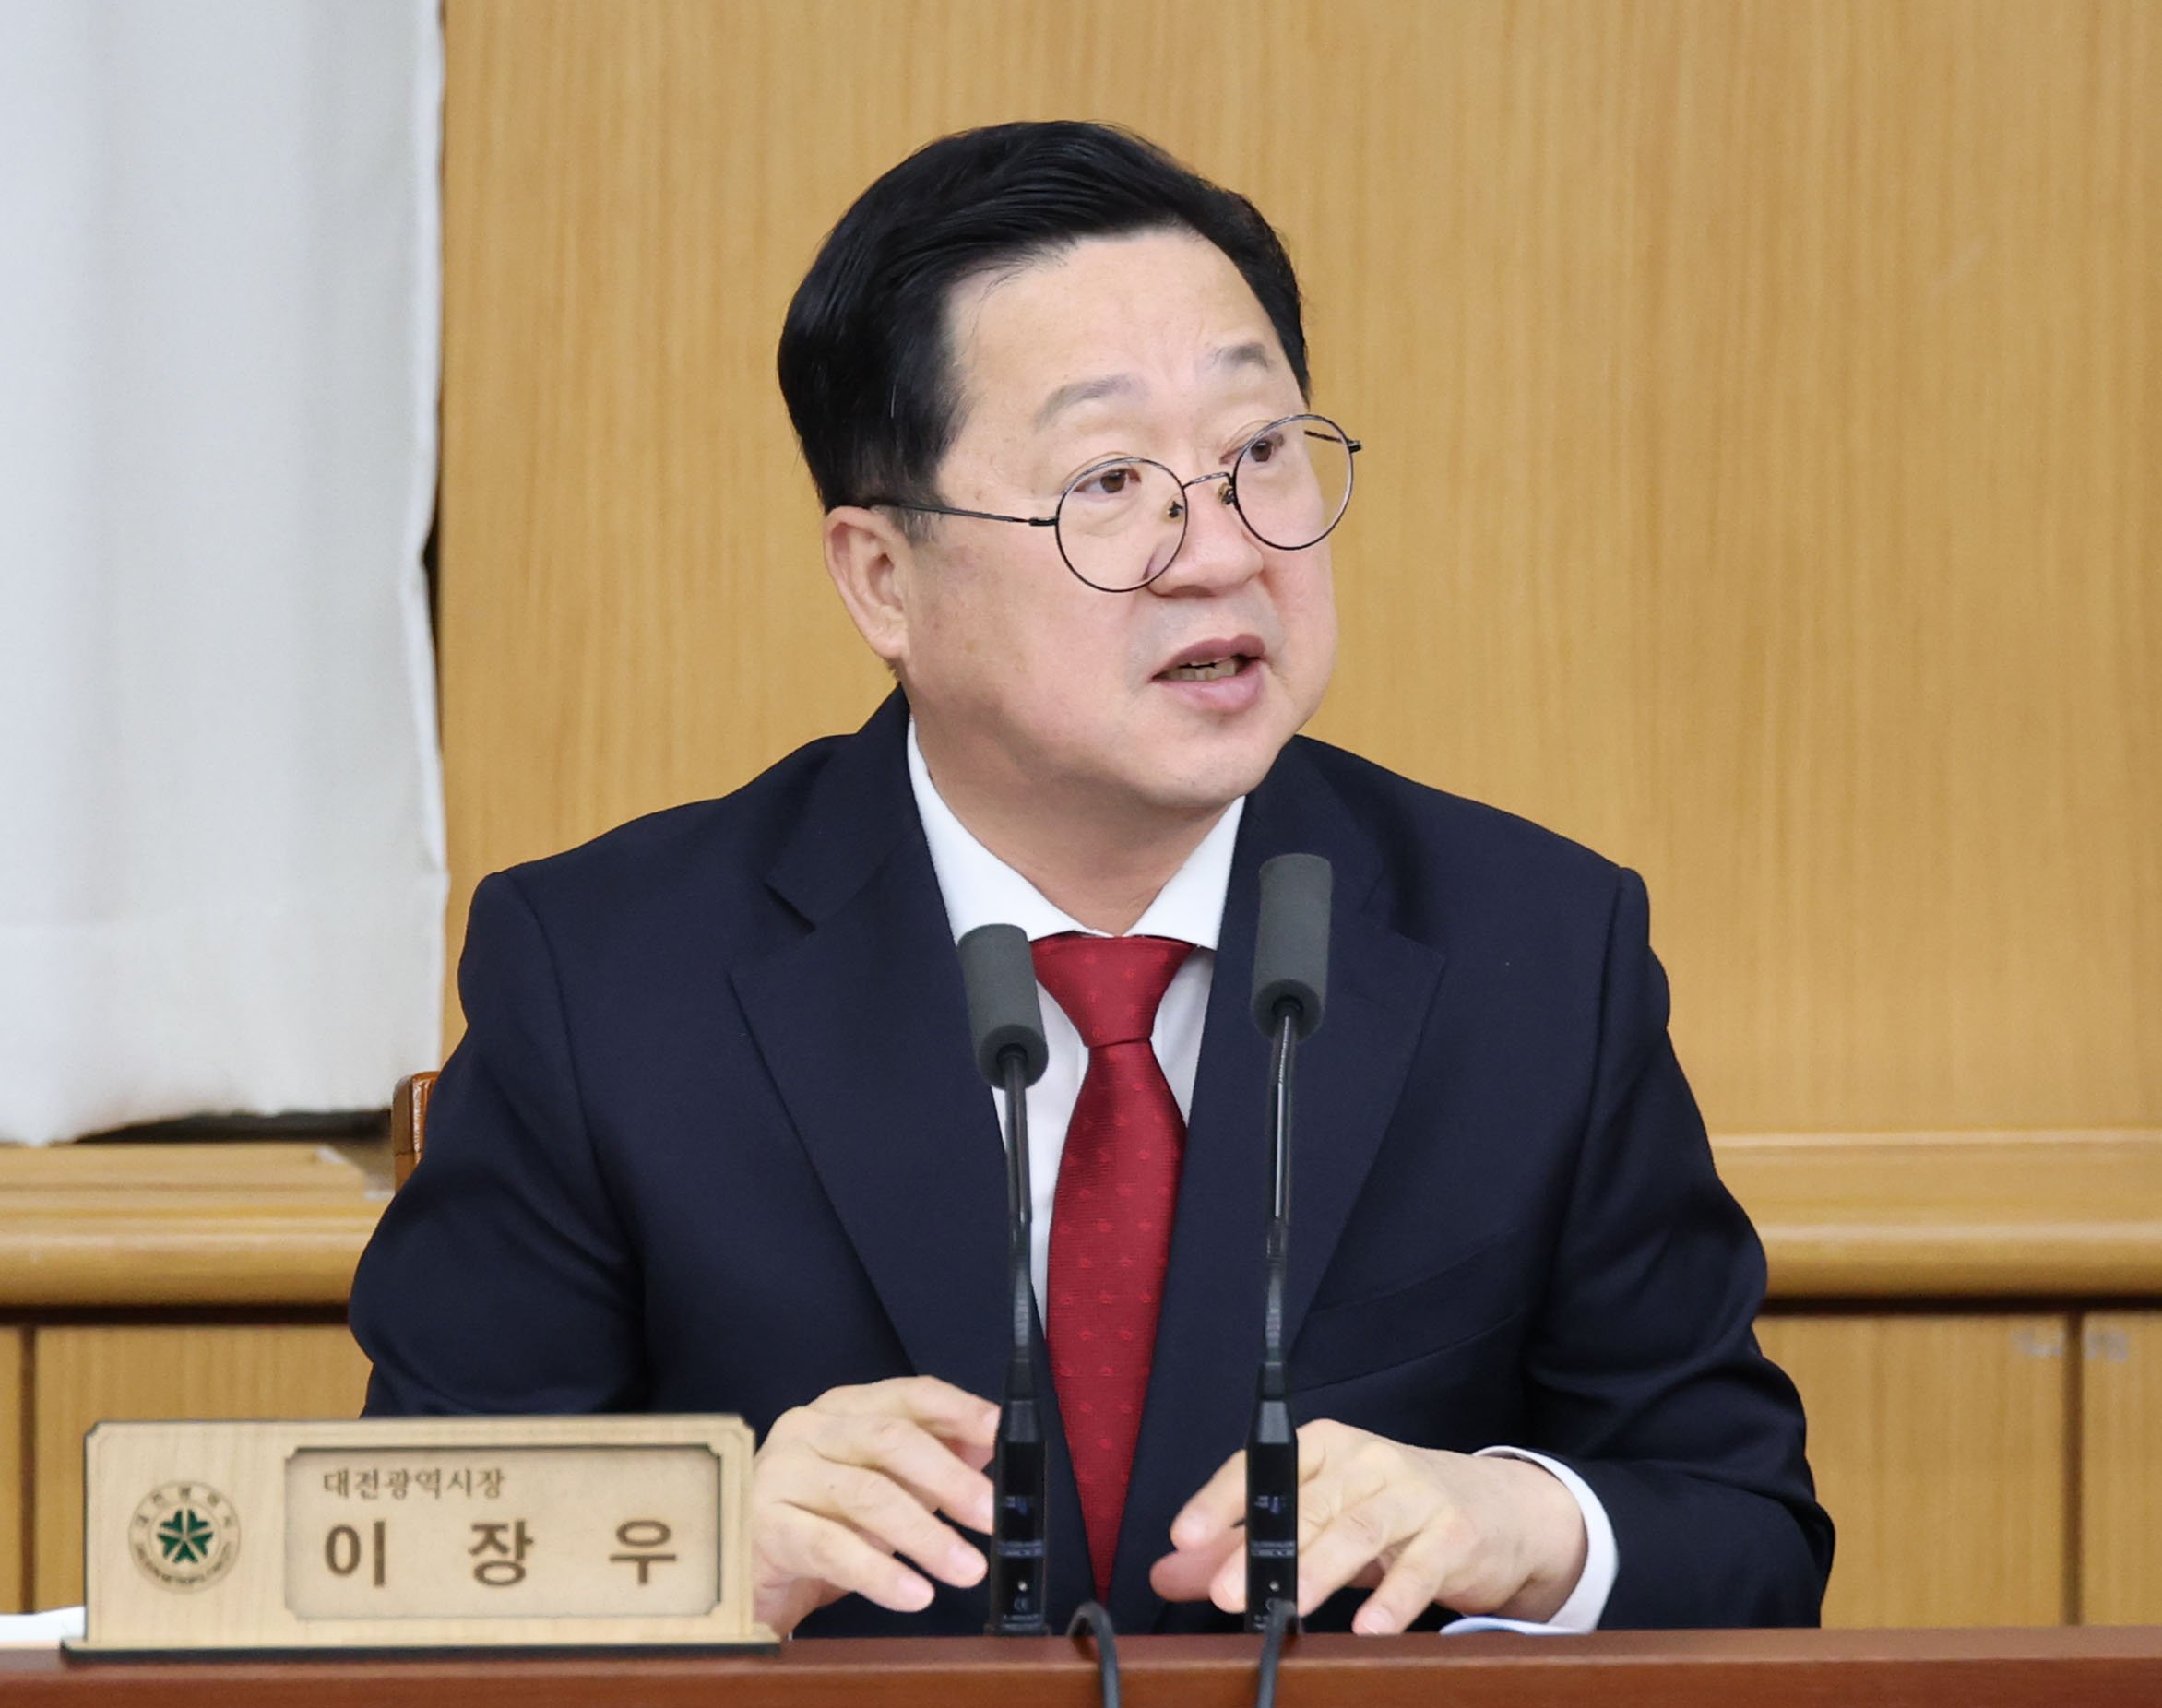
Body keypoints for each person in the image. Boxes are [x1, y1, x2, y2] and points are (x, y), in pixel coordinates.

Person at [350, 120, 1831, 1640]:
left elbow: (1746, 1534)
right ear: (883, 578)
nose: (1220, 553)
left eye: (1260, 455)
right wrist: (698, 1548)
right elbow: (382, 1571)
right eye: (1111, 481)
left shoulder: (1538, 952)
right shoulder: (612, 978)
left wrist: (1523, 1527)